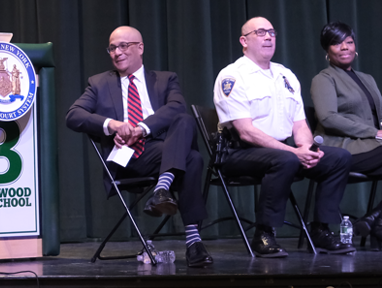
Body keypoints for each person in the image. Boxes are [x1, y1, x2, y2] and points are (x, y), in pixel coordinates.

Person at [67, 26, 212, 268]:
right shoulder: (99, 83)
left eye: (123, 46)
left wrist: (141, 128)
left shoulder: (166, 79)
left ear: (140, 47)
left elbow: (176, 106)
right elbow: (73, 115)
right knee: (192, 158)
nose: (117, 52)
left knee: (185, 123)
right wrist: (112, 124)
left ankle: (162, 188)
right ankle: (192, 240)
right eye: (112, 47)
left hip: (160, 147)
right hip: (127, 158)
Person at [213, 17, 354, 257]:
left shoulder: (285, 75)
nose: (268, 37)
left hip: (282, 151)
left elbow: (299, 123)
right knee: (285, 160)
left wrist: (307, 149)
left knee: (338, 157)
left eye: (271, 32)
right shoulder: (232, 76)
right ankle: (264, 234)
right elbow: (245, 131)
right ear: (243, 41)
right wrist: (293, 153)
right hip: (240, 152)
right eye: (260, 32)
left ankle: (320, 229)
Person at [311, 21, 382, 247]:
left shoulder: (367, 78)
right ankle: (376, 223)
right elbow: (328, 118)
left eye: (349, 42)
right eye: (336, 43)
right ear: (327, 50)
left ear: (355, 47)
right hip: (342, 147)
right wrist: (375, 132)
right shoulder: (324, 78)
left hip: (372, 146)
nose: (344, 47)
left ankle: (375, 220)